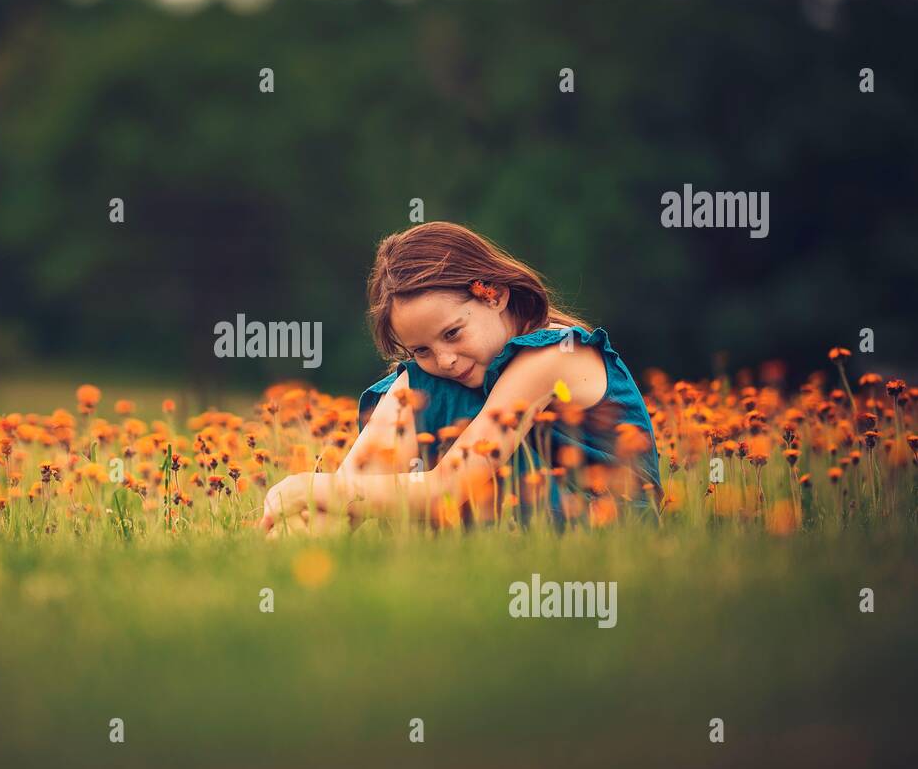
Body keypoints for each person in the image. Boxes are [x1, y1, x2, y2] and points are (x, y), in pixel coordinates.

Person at [260, 221, 663, 534]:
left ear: (495, 295)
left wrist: (315, 488)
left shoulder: (553, 356)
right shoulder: (471, 370)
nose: (447, 359)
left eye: (452, 333)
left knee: (418, 389)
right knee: (417, 385)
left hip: (604, 523)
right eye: (422, 350)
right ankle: (307, 536)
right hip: (533, 515)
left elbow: (450, 488)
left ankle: (312, 524)